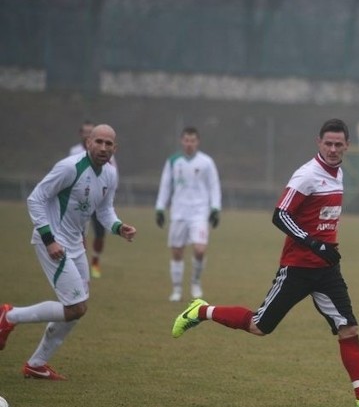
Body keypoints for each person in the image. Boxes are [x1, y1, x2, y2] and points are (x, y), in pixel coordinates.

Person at [170, 119, 359, 407]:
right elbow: (280, 215)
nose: (333, 149)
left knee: (348, 327)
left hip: (327, 269)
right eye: (328, 144)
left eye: (338, 144)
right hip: (297, 267)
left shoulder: (338, 173)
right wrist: (313, 243)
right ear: (318, 143)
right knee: (259, 326)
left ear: (347, 146)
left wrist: (325, 246)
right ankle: (201, 310)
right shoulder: (307, 175)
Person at [0, 124, 136, 380]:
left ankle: (37, 364)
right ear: (88, 143)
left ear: (114, 149)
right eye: (99, 142)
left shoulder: (110, 174)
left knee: (77, 308)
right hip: (52, 241)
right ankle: (9, 316)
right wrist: (49, 239)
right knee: (75, 307)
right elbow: (36, 198)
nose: (104, 148)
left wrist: (119, 227)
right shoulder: (69, 167)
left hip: (75, 244)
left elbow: (105, 210)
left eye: (109, 144)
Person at [155, 127, 222, 302]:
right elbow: (165, 186)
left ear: (197, 142)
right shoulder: (173, 161)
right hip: (179, 212)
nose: (189, 143)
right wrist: (160, 207)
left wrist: (215, 207)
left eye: (192, 140)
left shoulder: (206, 162)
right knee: (177, 252)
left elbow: (214, 185)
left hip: (200, 212)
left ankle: (195, 282)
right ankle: (177, 289)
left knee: (200, 250)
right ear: (181, 141)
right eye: (186, 140)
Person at [70, 120, 117, 279]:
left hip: (97, 201)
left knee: (99, 235)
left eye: (91, 131)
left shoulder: (106, 153)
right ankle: (80, 262)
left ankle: (95, 262)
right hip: (78, 202)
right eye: (86, 131)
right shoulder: (74, 153)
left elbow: (112, 173)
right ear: (83, 135)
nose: (88, 134)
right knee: (79, 234)